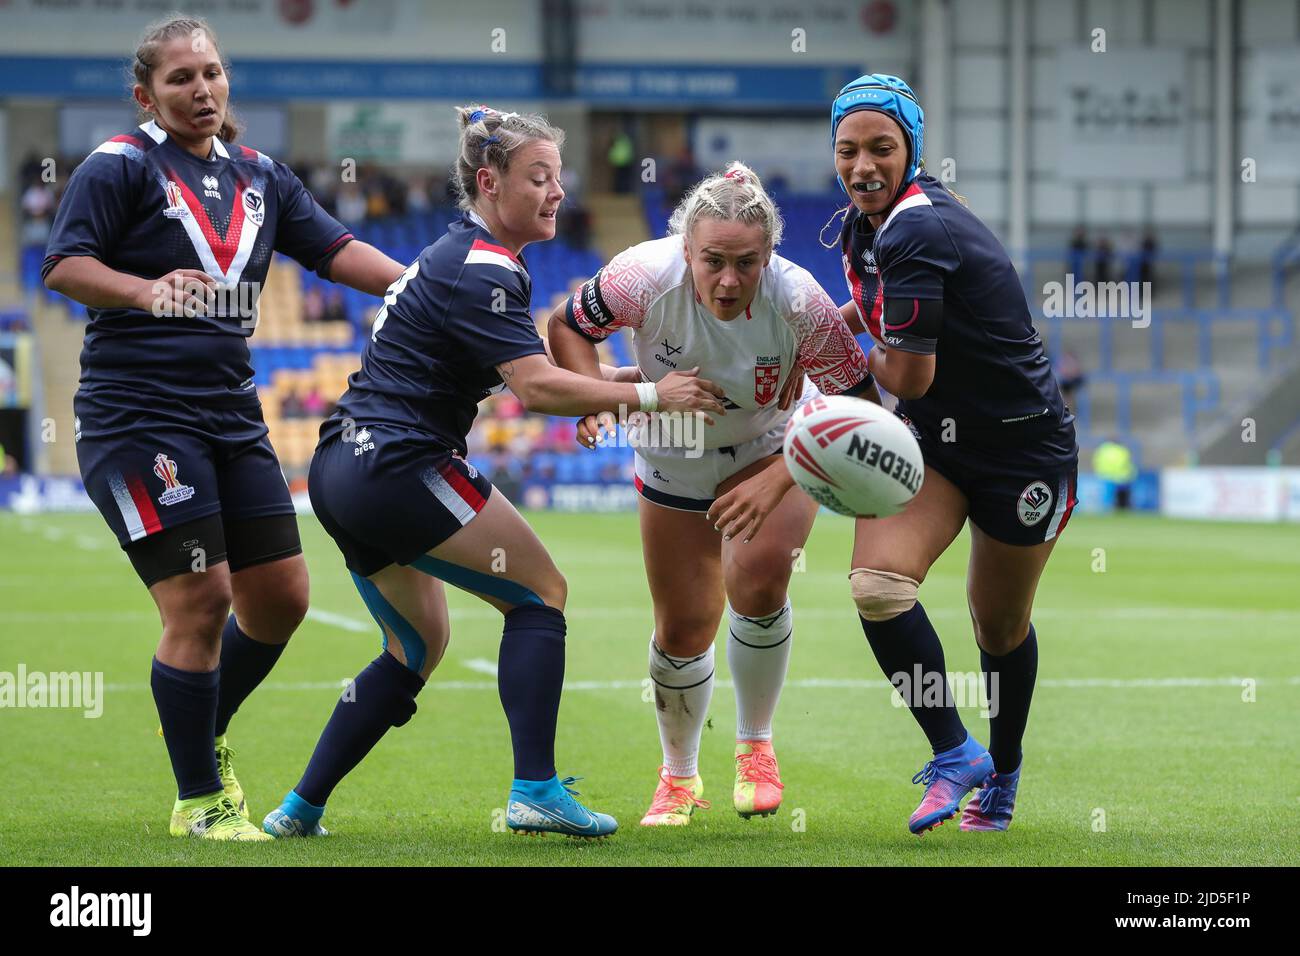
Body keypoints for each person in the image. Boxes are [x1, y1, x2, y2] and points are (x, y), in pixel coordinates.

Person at [262, 105, 726, 840]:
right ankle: (535, 789)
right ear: (489, 181)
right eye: (539, 178)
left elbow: (537, 374)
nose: (557, 194)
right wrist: (647, 394)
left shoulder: (461, 255)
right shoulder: (484, 268)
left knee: (414, 647)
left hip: (340, 470)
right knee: (541, 594)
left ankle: (299, 808)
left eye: (559, 178)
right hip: (398, 466)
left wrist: (643, 374)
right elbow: (539, 389)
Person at [41, 14, 408, 841]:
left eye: (210, 73)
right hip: (137, 416)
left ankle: (198, 730)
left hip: (232, 414)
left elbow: (334, 249)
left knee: (279, 600)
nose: (200, 90)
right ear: (147, 94)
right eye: (180, 79)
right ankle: (201, 801)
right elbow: (63, 264)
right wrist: (141, 291)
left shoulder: (261, 174)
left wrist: (419, 289)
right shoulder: (118, 165)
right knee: (202, 599)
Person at [548, 162, 875, 826]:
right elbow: (567, 327)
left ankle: (756, 747)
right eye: (713, 261)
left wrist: (782, 474)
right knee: (683, 630)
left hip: (771, 446)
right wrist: (597, 399)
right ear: (685, 251)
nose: (729, 279)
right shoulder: (640, 276)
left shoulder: (801, 301)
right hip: (673, 456)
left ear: (770, 256)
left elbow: (863, 408)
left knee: (757, 582)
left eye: (747, 264)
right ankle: (679, 777)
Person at [831, 75, 1078, 833]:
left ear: (911, 150)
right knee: (878, 586)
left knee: (997, 627)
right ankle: (954, 752)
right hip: (935, 445)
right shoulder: (863, 226)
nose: (863, 165)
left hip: (1022, 451)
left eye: (881, 148)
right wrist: (811, 331)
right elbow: (870, 320)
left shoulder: (915, 228)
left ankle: (1002, 772)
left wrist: (832, 356)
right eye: (847, 150)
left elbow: (906, 372)